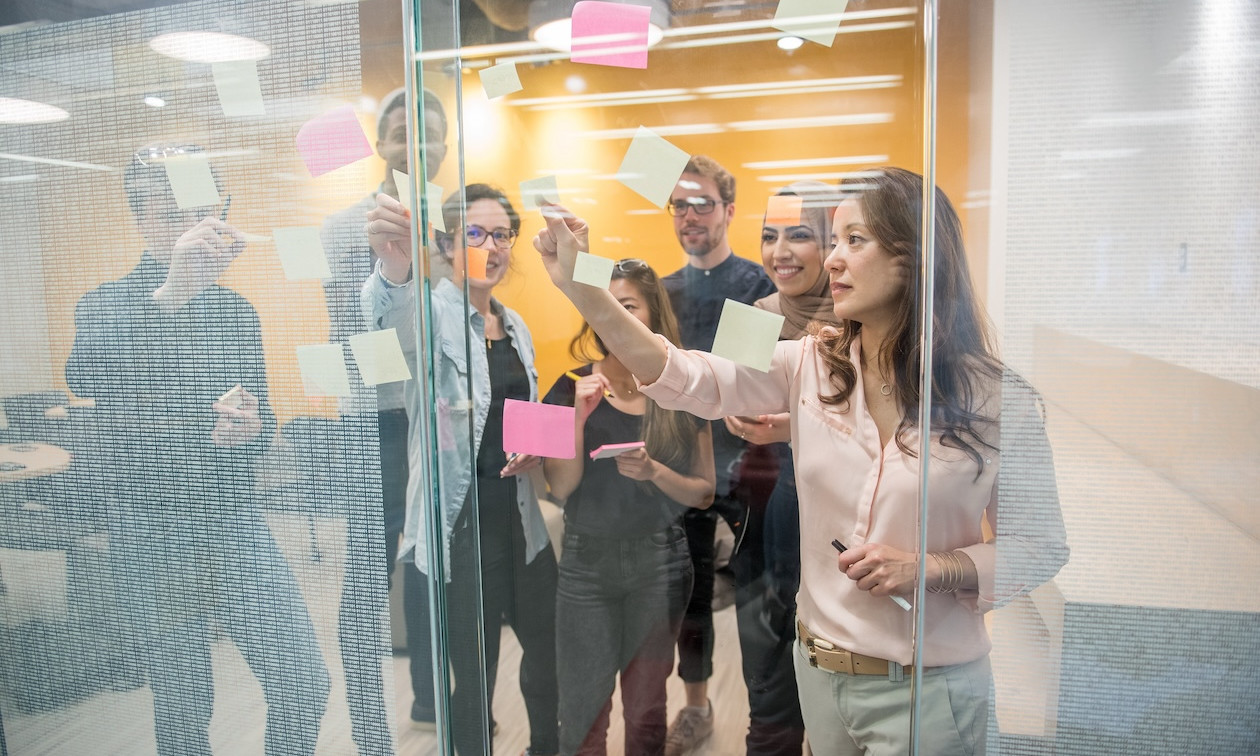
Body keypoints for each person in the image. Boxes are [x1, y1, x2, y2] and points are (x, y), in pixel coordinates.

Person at [531, 167, 1069, 756]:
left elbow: (1041, 545)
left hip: (928, 688)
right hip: (820, 669)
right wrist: (582, 288)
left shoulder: (994, 400)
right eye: (831, 240)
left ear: (914, 257)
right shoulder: (812, 361)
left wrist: (933, 567)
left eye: (852, 241)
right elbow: (681, 372)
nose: (831, 260)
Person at [65, 145, 330, 755]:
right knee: (184, 702)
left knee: (303, 681)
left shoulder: (236, 312)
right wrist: (171, 292)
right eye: (182, 213)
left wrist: (250, 431)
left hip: (229, 521)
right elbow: (88, 375)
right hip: (151, 528)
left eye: (210, 212)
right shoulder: (107, 302)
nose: (202, 228)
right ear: (146, 221)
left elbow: (260, 419)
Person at [363, 184, 559, 756]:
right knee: (474, 682)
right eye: (475, 233)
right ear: (447, 243)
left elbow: (514, 416)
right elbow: (387, 330)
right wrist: (395, 272)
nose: (491, 247)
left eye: (501, 234)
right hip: (462, 528)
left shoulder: (515, 324)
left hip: (521, 521)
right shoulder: (425, 312)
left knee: (549, 665)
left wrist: (541, 445)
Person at [541, 260, 716, 755]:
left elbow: (704, 492)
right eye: (605, 305)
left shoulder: (681, 387)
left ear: (652, 317)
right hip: (585, 566)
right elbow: (559, 487)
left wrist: (655, 472)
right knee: (583, 710)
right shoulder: (568, 385)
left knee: (645, 710)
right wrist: (576, 418)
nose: (613, 316)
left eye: (628, 306)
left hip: (658, 565)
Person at [320, 86, 448, 747]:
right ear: (381, 143)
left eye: (428, 134)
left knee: (431, 557)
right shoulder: (345, 227)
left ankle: (430, 703)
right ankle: (370, 722)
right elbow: (349, 334)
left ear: (444, 148)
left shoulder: (453, 225)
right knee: (368, 568)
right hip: (374, 419)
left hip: (437, 415)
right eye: (401, 132)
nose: (413, 145)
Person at [659, 155, 776, 755]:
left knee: (762, 604)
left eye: (702, 202)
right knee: (694, 599)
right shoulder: (663, 291)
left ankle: (772, 718)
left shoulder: (760, 287)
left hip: (753, 472)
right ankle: (697, 709)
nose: (690, 215)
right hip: (685, 474)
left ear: (729, 210)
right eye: (679, 204)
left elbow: (752, 387)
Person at [720, 181, 843, 755]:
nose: (779, 252)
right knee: (768, 687)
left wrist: (792, 425)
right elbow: (727, 405)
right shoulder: (751, 315)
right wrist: (745, 421)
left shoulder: (858, 317)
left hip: (841, 531)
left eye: (799, 235)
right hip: (766, 520)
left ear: (833, 243)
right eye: (769, 236)